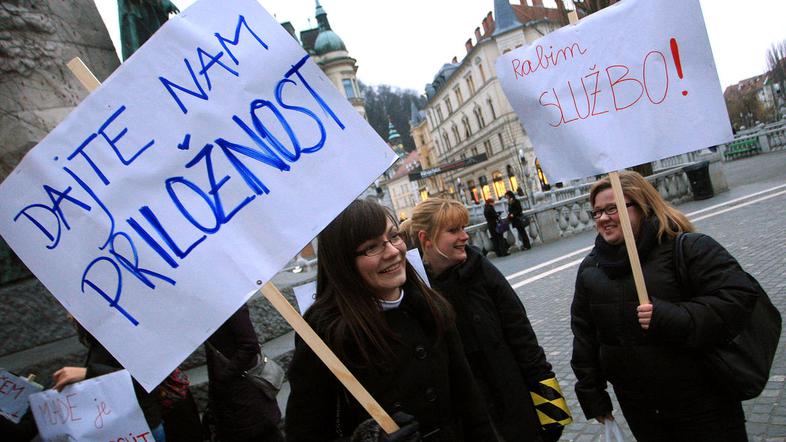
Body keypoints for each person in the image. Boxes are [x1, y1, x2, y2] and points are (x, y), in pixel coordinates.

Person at [285, 199, 495, 441]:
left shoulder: (430, 306)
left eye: (394, 236)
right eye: (371, 247)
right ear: (343, 262)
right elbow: (304, 432)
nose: (394, 251)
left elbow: (470, 401)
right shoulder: (323, 335)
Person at [571, 171, 759, 441]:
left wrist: (669, 316)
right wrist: (592, 395)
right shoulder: (591, 269)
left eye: (613, 209)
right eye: (597, 212)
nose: (603, 218)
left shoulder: (688, 247)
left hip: (704, 402)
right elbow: (584, 337)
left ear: (642, 206)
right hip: (641, 412)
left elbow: (738, 298)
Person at [408, 198, 568, 442]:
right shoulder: (415, 293)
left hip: (515, 406)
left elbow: (524, 340)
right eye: (453, 230)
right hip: (469, 424)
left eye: (463, 228)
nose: (464, 236)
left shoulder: (481, 270)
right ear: (425, 238)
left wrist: (552, 410)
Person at [53, 318, 165, 441]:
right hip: (125, 425)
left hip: (141, 426)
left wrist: (88, 373)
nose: (68, 315)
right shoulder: (100, 334)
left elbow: (146, 382)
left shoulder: (124, 333)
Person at [205, 304, 284, 442]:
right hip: (232, 397)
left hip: (245, 394)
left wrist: (224, 376)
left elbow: (249, 345)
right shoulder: (208, 309)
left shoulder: (231, 305)